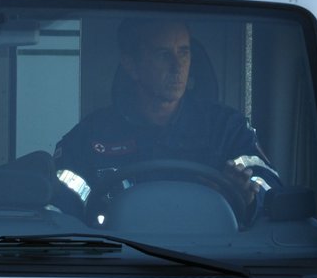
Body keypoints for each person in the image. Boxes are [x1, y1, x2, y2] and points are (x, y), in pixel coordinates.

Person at [51, 18, 279, 217]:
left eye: (184, 52)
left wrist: (247, 197)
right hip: (118, 260)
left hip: (213, 259)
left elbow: (268, 185)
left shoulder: (227, 128)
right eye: (163, 54)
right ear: (132, 65)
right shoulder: (91, 136)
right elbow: (60, 202)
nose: (177, 66)